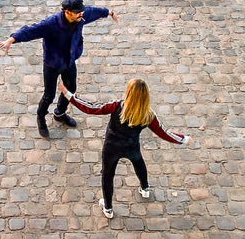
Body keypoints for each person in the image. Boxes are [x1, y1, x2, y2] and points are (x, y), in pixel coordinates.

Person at [58, 77, 189, 219]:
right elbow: (164, 133)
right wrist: (183, 139)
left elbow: (91, 108)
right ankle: (145, 188)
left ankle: (108, 208)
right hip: (131, 146)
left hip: (111, 148)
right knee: (139, 163)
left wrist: (68, 94)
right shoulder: (148, 115)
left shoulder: (117, 106)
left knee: (108, 175)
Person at [0, 0, 116, 139]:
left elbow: (94, 12)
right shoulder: (51, 24)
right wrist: (12, 39)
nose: (81, 14)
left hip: (69, 61)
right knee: (49, 95)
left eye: (82, 11)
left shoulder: (82, 17)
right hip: (52, 64)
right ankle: (41, 117)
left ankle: (60, 113)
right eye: (78, 12)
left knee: (71, 89)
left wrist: (108, 12)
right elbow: (32, 30)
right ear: (67, 12)